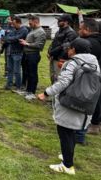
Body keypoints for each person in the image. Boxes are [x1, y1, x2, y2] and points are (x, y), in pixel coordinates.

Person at [37, 38, 100, 175]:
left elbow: (63, 82)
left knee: (64, 132)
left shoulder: (73, 63)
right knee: (71, 132)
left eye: (69, 48)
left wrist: (46, 93)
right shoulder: (94, 62)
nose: (67, 50)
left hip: (69, 102)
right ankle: (67, 156)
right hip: (86, 102)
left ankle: (67, 166)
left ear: (74, 50)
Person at [77, 18, 101, 136]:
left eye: (80, 29)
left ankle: (94, 124)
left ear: (87, 29)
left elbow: (86, 61)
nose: (78, 31)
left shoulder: (91, 43)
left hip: (93, 76)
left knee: (93, 100)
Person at [18, 15, 47, 100]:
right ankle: (27, 90)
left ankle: (32, 92)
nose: (29, 24)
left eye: (30, 23)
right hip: (27, 54)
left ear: (36, 22)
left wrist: (26, 44)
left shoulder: (41, 32)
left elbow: (39, 45)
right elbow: (31, 41)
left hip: (33, 55)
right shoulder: (33, 30)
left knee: (32, 74)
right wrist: (25, 41)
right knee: (26, 72)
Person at [48, 14, 78, 84]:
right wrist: (49, 51)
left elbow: (64, 47)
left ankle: (59, 94)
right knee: (52, 76)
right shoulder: (59, 31)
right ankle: (53, 92)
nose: (58, 21)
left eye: (60, 20)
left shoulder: (71, 33)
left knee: (59, 78)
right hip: (54, 57)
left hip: (61, 59)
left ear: (66, 22)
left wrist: (52, 53)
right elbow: (53, 43)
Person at [4, 16, 28, 90]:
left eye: (14, 24)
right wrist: (13, 39)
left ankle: (18, 86)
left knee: (17, 71)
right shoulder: (13, 29)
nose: (12, 25)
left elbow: (18, 38)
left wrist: (12, 38)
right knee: (10, 69)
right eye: (12, 24)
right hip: (10, 52)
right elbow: (7, 38)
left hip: (18, 52)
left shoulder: (24, 30)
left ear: (19, 23)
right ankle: (9, 84)